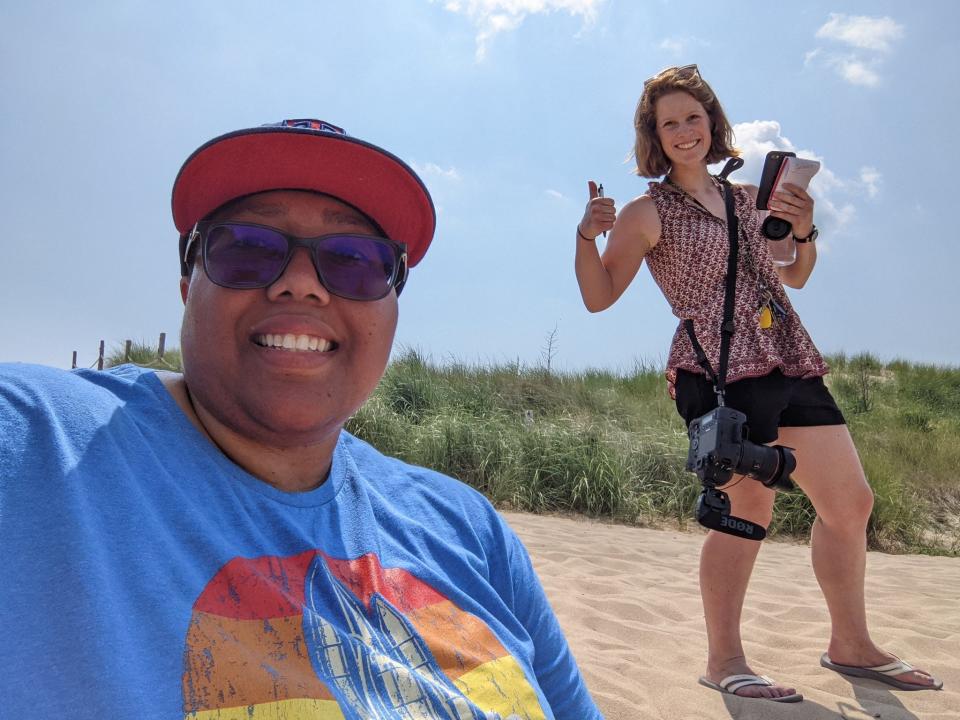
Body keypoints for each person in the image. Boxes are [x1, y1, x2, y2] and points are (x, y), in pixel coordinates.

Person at [0, 118, 603, 719]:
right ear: (188, 283)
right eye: (249, 247)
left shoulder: (470, 527)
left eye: (354, 262)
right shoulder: (34, 439)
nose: (300, 285)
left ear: (393, 306)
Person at [574, 66, 943, 702]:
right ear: (654, 138)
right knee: (749, 507)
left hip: (785, 352)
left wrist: (803, 228)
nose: (685, 131)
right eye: (670, 124)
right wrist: (586, 234)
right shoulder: (645, 211)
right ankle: (725, 659)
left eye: (694, 117)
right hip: (716, 370)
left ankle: (850, 644)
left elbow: (795, 275)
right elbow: (599, 296)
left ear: (713, 123)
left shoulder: (748, 198)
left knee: (850, 502)